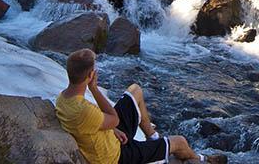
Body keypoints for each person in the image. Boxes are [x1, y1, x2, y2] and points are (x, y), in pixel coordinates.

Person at [55, 48, 201, 164]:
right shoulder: (85, 111)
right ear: (90, 75)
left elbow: (95, 123)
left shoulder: (62, 99)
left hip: (111, 137)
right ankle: (201, 159)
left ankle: (153, 137)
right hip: (116, 156)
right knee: (180, 142)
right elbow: (114, 119)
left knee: (135, 90)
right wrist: (94, 88)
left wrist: (113, 130)